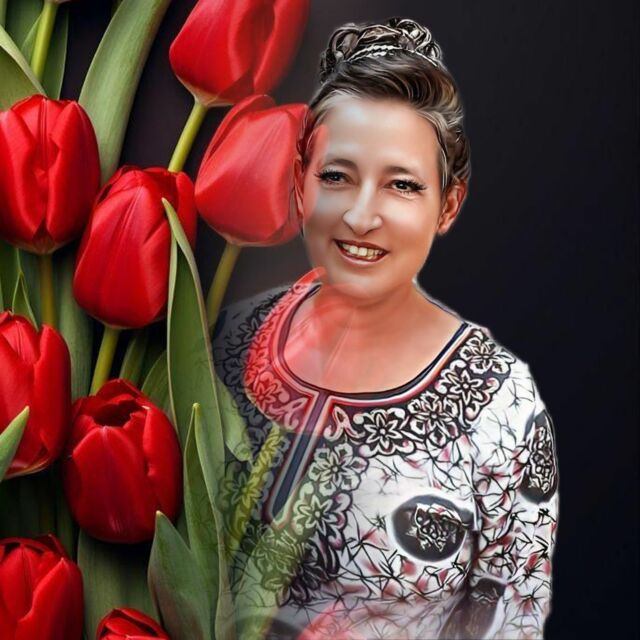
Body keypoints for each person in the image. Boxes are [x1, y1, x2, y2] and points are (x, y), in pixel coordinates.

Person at [213, 17, 559, 640]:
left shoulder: (500, 404)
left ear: (447, 205)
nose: (361, 215)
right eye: (336, 176)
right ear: (299, 183)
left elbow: (513, 617)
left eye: (402, 185)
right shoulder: (222, 340)